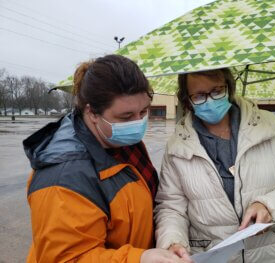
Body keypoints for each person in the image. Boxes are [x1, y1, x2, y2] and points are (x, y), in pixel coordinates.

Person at [23, 54, 190, 263]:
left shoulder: (120, 142)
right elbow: (67, 259)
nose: (138, 123)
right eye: (126, 116)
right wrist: (140, 259)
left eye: (144, 111)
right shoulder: (63, 180)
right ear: (92, 112)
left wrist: (166, 242)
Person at [154, 68, 275, 262]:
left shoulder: (268, 125)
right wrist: (173, 242)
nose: (210, 100)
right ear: (187, 99)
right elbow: (171, 207)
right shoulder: (177, 146)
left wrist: (269, 206)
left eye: (217, 91)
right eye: (199, 95)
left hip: (272, 253)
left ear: (229, 88)